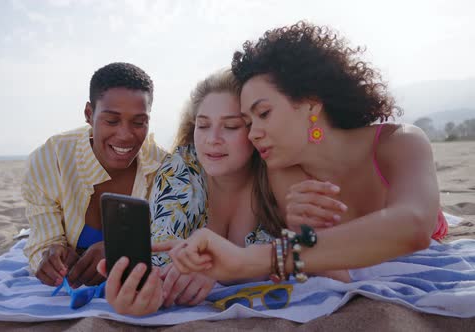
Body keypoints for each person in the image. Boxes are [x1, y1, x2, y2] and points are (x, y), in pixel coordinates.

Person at [155, 21, 448, 284]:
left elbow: (413, 226)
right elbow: (333, 272)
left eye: (264, 113)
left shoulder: (402, 142)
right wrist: (302, 232)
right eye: (247, 122)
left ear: (311, 104)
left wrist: (253, 259)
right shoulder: (283, 172)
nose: (253, 132)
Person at [96, 69, 294, 316]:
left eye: (231, 126)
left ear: (256, 130)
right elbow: (160, 259)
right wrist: (138, 295)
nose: (212, 139)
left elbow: (307, 256)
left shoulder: (279, 175)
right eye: (203, 125)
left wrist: (216, 268)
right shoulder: (181, 169)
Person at [22, 62, 167, 288]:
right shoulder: (52, 159)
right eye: (111, 121)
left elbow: (175, 241)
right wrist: (50, 257)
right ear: (89, 114)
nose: (125, 135)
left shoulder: (164, 170)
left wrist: (124, 252)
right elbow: (43, 241)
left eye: (139, 122)